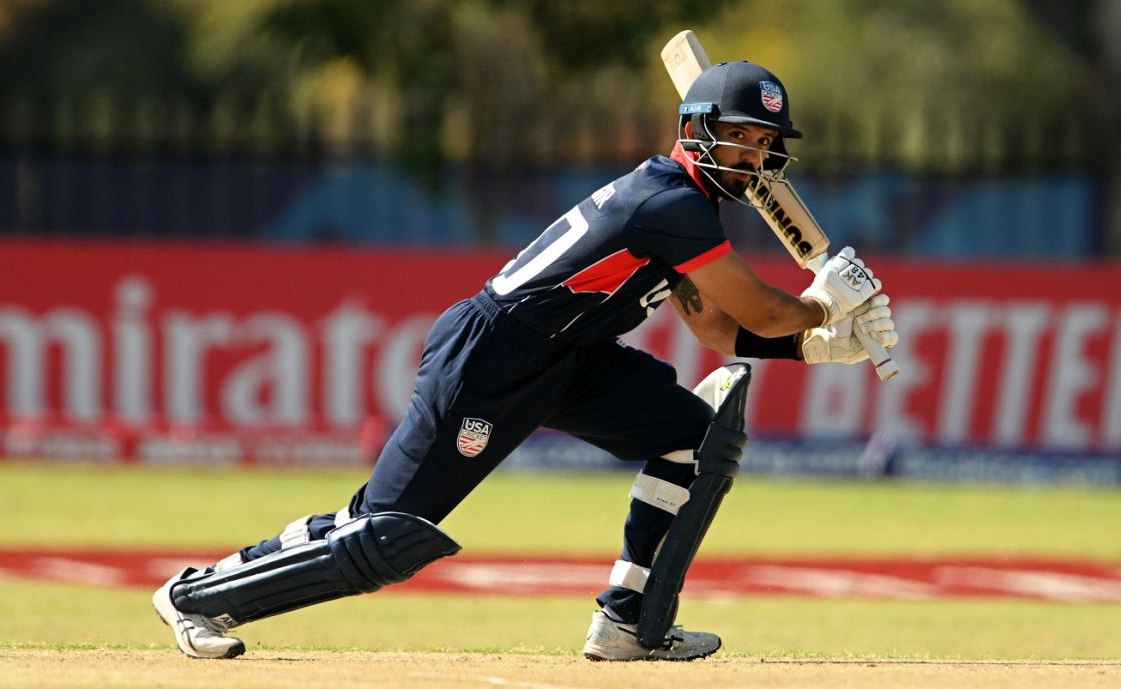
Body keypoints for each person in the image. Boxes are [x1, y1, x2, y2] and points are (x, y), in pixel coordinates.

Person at [152, 60, 898, 662]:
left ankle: (630, 623)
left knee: (694, 437)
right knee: (387, 534)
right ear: (697, 131)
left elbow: (721, 333)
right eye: (742, 137)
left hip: (571, 359)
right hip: (493, 357)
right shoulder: (668, 205)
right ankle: (199, 593)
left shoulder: (682, 209)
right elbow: (764, 309)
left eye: (766, 143)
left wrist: (816, 343)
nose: (757, 157)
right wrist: (824, 302)